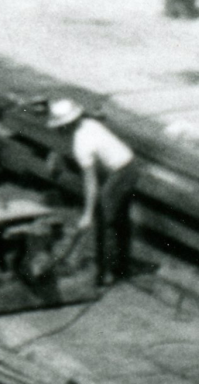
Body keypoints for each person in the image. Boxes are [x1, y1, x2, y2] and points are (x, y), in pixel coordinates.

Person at [47, 98, 139, 283]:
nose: (58, 130)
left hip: (121, 172)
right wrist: (55, 153)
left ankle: (105, 274)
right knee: (119, 219)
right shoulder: (88, 122)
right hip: (130, 164)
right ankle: (121, 265)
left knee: (105, 220)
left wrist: (87, 214)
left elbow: (91, 183)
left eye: (60, 126)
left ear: (67, 125)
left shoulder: (82, 144)